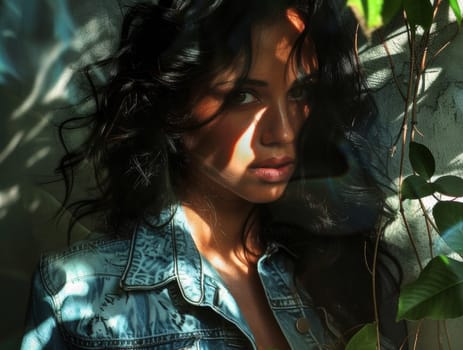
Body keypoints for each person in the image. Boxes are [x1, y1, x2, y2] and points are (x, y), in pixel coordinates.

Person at [22, 0, 404, 348]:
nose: (284, 132)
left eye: (300, 93)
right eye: (243, 96)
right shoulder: (77, 295)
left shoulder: (343, 269)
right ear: (173, 104)